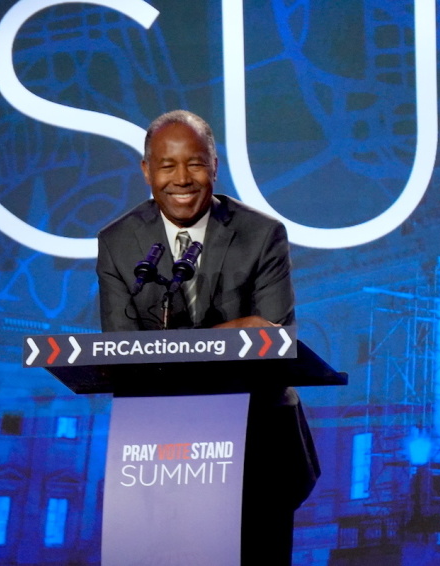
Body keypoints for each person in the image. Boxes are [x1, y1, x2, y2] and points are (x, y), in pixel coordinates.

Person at [96, 110, 319, 564]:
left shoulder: (261, 235)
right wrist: (226, 334)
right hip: (160, 451)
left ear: (214, 166)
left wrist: (178, 347)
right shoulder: (118, 242)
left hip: (259, 446)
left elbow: (270, 340)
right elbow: (122, 350)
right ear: (146, 171)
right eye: (166, 164)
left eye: (195, 163)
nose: (182, 178)